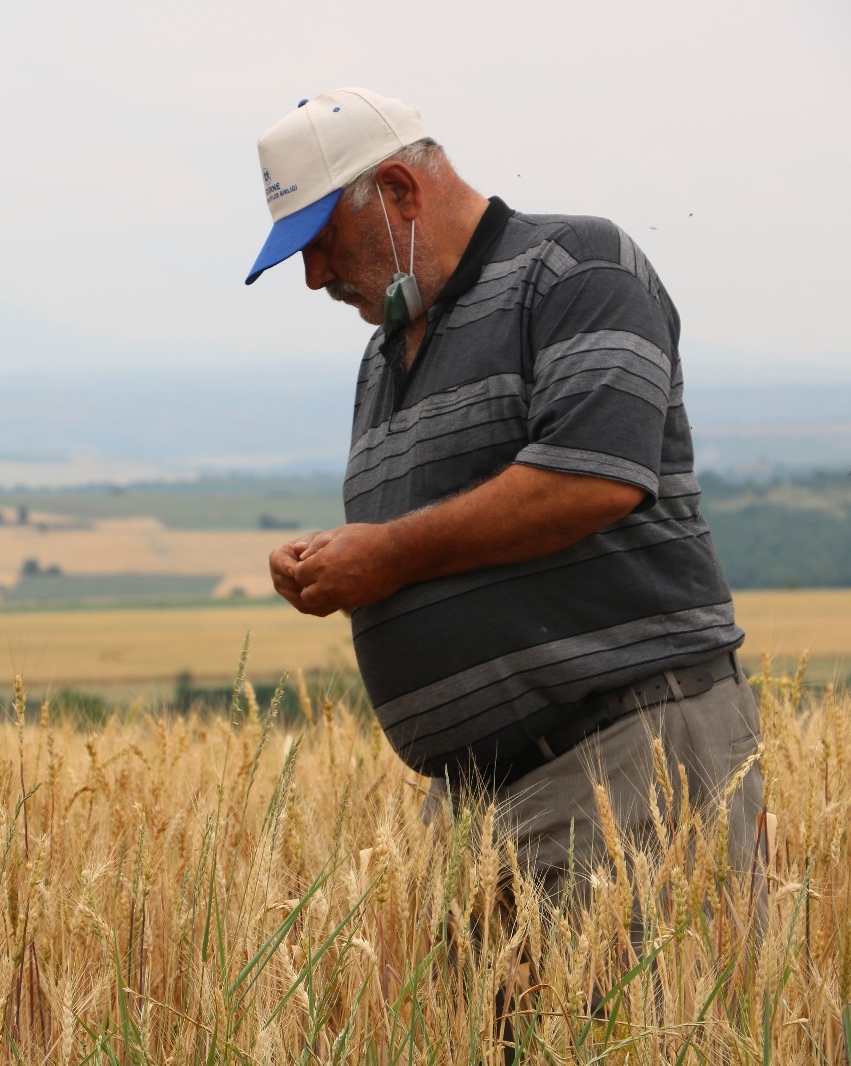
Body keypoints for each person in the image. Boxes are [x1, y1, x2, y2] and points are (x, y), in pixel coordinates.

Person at [247, 88, 764, 901]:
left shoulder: (577, 269)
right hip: (474, 805)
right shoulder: (386, 355)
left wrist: (385, 555)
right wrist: (336, 561)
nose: (314, 277)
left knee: (630, 1028)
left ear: (399, 190)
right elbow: (431, 537)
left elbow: (590, 481)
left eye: (320, 241)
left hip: (619, 760)